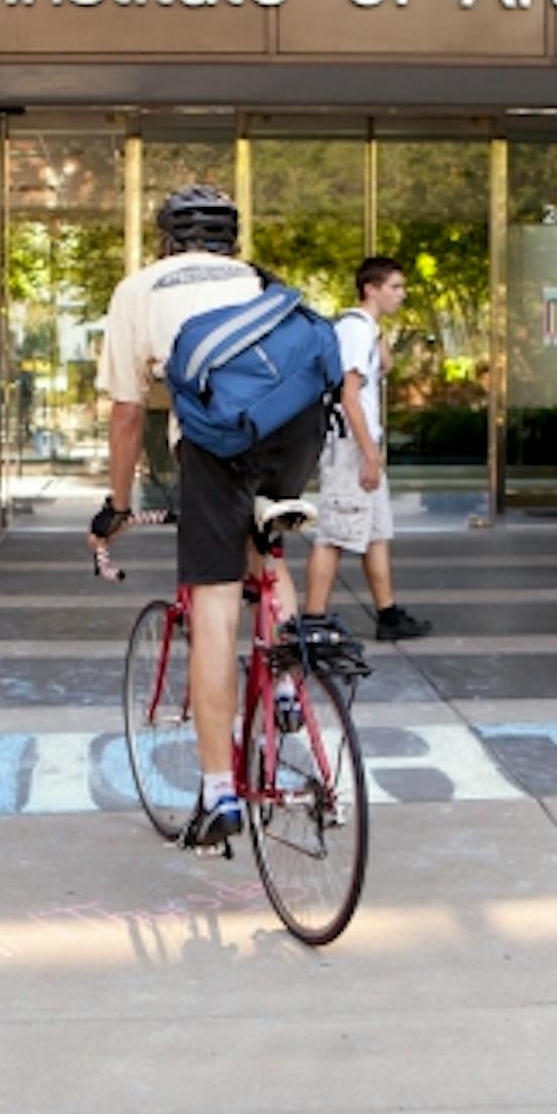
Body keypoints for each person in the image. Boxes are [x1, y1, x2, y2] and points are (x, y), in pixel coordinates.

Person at [90, 185, 331, 848]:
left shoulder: (139, 289)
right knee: (268, 544)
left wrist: (116, 507)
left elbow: (128, 414)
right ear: (233, 241)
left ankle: (219, 789)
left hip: (215, 447)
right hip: (296, 430)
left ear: (166, 239)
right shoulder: (260, 282)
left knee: (216, 605)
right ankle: (285, 685)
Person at [303, 256, 432, 642]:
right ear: (370, 289)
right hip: (351, 447)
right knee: (335, 532)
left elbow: (386, 366)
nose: (401, 295)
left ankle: (388, 613)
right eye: (394, 287)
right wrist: (370, 455)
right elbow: (349, 396)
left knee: (376, 532)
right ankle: (312, 619)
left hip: (361, 444)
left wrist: (376, 328)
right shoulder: (355, 331)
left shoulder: (362, 329)